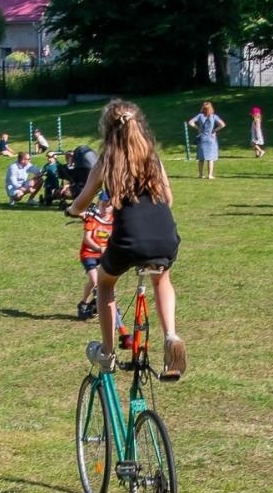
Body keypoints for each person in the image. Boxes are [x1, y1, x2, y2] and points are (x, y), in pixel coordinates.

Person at [65, 100, 185, 381]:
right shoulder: (152, 157)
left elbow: (81, 203)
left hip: (129, 239)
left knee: (105, 285)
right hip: (165, 236)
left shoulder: (107, 161)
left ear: (107, 130)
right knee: (162, 279)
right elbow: (168, 198)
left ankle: (107, 353)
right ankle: (171, 336)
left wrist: (72, 210)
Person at [75, 193, 115, 321]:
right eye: (102, 204)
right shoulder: (93, 219)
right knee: (94, 280)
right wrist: (99, 248)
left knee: (107, 281)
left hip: (105, 254)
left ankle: (98, 303)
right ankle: (84, 303)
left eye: (108, 205)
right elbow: (87, 239)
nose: (105, 207)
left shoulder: (114, 220)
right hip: (89, 253)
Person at [189, 101, 225, 179]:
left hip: (202, 138)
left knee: (201, 158)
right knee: (210, 158)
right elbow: (222, 124)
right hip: (211, 139)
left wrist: (198, 128)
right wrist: (214, 130)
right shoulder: (214, 116)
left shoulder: (200, 116)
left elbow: (190, 122)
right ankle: (210, 175)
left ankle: (200, 174)